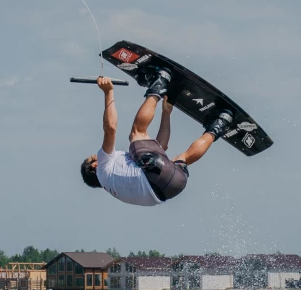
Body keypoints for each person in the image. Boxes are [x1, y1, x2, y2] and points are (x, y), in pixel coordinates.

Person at [80, 67, 233, 206]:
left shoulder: (116, 184)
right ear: (94, 165)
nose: (96, 154)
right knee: (137, 133)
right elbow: (110, 129)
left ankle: (220, 123)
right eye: (93, 156)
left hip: (174, 187)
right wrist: (108, 92)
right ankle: (159, 83)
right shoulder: (103, 168)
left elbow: (161, 147)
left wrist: (166, 113)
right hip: (153, 177)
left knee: (183, 158)